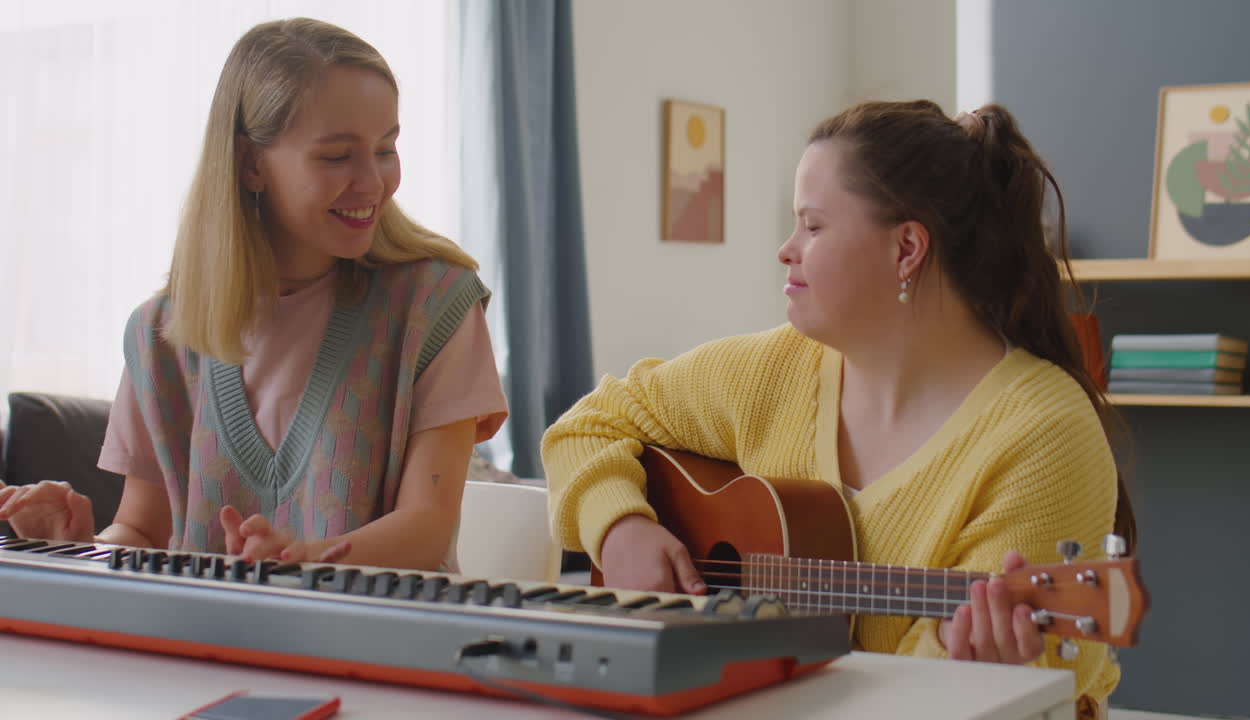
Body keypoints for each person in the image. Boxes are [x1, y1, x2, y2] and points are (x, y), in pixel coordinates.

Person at [541, 100, 1133, 716]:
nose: (785, 249)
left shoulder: (1042, 434)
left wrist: (972, 672)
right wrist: (620, 528)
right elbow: (586, 425)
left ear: (906, 249)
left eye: (813, 225)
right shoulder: (776, 370)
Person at [0, 18, 507, 573]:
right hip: (204, 653)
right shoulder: (158, 335)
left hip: (379, 651)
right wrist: (74, 550)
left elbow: (427, 527)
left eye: (386, 148)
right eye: (337, 156)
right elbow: (143, 530)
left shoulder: (435, 304)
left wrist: (301, 564)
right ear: (250, 164)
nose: (374, 181)